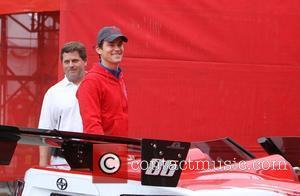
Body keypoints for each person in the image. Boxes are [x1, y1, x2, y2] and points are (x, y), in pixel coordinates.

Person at [38, 41, 87, 167]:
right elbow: (45, 132)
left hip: (95, 160)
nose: (71, 65)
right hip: (61, 162)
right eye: (66, 61)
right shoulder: (53, 93)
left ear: (85, 61)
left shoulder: (98, 86)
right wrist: (43, 166)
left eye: (75, 60)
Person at [76, 26, 128, 136]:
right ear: (99, 49)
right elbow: (92, 126)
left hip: (118, 150)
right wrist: (105, 152)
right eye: (111, 45)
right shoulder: (91, 82)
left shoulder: (119, 77)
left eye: (119, 44)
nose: (117, 48)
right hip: (103, 151)